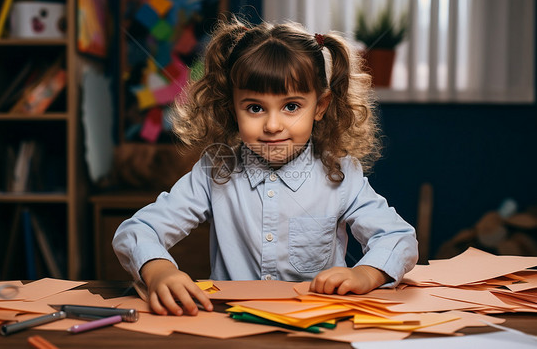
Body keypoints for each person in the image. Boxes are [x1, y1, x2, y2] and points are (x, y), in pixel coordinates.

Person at [112, 16, 418, 317]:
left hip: (319, 324)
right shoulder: (214, 171)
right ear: (233, 108)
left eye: (291, 106)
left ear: (320, 107)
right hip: (231, 325)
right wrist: (158, 271)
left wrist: (366, 273)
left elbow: (397, 237)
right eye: (255, 108)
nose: (273, 125)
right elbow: (139, 230)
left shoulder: (342, 174)